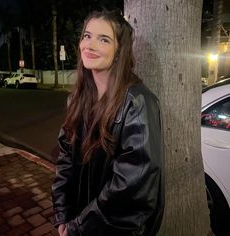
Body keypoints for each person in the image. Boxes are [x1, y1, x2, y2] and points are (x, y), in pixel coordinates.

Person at [52, 9, 164, 236]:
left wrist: (78, 228)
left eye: (103, 39)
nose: (90, 45)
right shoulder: (76, 99)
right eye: (87, 36)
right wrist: (62, 214)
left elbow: (131, 188)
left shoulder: (138, 102)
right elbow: (65, 160)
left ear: (119, 50)